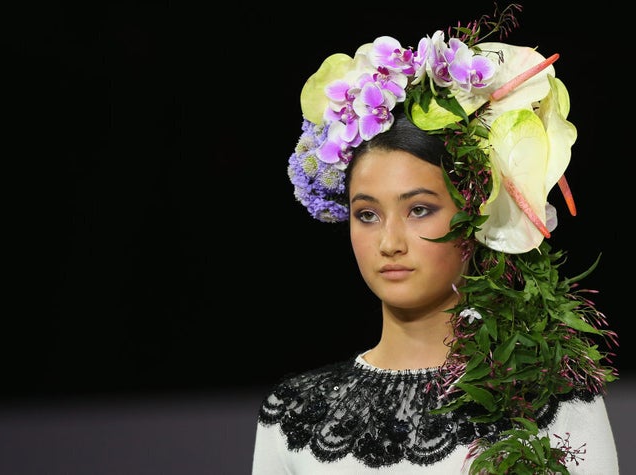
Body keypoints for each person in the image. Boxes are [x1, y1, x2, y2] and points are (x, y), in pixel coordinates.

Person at [251, 4, 619, 474]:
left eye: (419, 209)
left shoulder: (551, 400)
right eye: (366, 214)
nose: (390, 242)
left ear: (475, 211)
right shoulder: (294, 415)